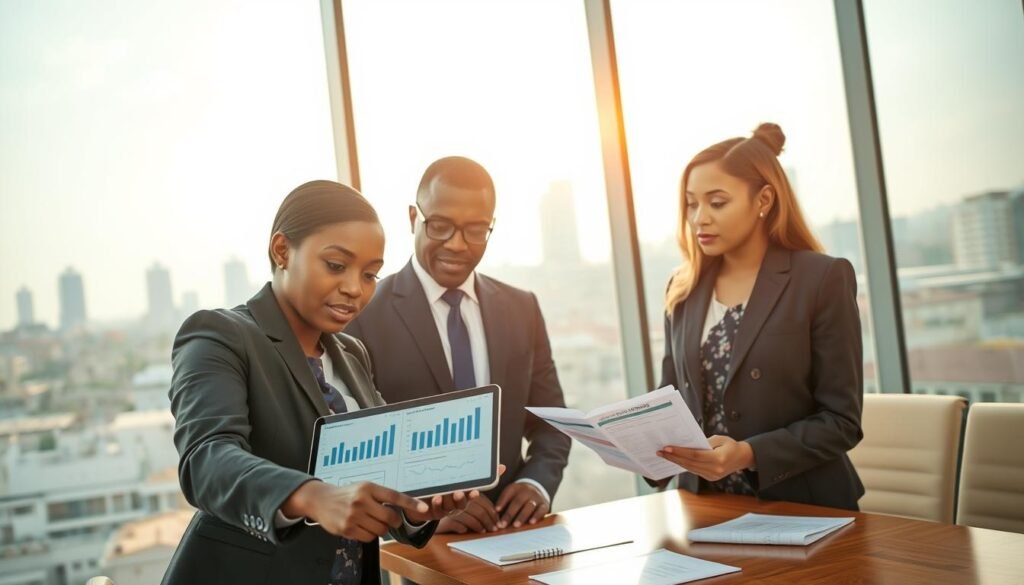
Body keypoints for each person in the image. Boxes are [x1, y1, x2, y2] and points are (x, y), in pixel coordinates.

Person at [164, 181, 483, 585]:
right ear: (282, 251)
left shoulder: (351, 355)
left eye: (370, 275)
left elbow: (376, 483)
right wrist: (314, 496)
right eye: (336, 265)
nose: (355, 288)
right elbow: (206, 459)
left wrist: (419, 508)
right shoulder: (219, 335)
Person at [346, 156, 572, 535]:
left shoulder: (521, 308)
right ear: (412, 218)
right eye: (440, 226)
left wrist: (536, 484)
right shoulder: (363, 317)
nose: (457, 244)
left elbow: (552, 424)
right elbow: (358, 455)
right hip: (419, 550)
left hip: (511, 532)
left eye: (476, 230)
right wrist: (425, 512)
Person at [653, 123, 864, 511]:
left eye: (717, 203)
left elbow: (841, 421)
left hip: (804, 508)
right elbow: (671, 401)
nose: (699, 218)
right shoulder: (682, 288)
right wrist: (638, 443)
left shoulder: (822, 278)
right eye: (691, 203)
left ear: (763, 199)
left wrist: (748, 453)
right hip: (704, 509)